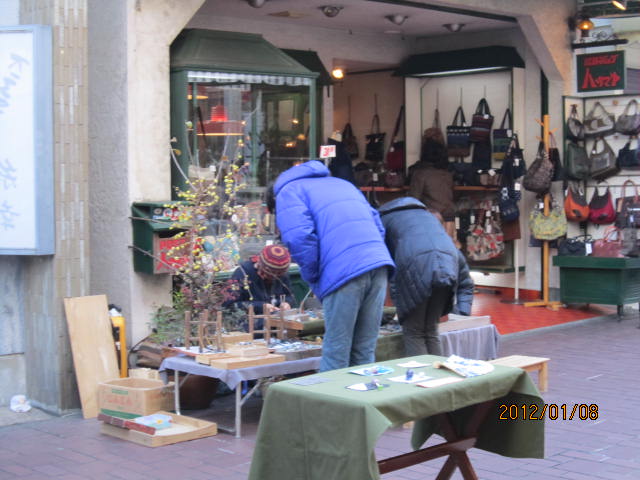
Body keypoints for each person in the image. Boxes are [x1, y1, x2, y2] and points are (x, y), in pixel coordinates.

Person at [270, 160, 395, 371]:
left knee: (336, 351)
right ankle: (362, 393)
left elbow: (299, 238)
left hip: (343, 270)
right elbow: (377, 225)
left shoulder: (288, 192)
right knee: (364, 349)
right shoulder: (343, 184)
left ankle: (332, 394)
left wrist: (314, 276)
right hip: (377, 262)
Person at [378, 196, 473, 356]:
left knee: (414, 331)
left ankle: (422, 371)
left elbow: (381, 263)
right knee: (430, 329)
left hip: (416, 265)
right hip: (446, 264)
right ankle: (438, 370)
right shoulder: (426, 216)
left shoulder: (384, 219)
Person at [224, 244, 296, 329]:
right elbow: (229, 306)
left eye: (278, 275)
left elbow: (289, 295)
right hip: (250, 324)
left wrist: (287, 303)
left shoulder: (282, 274)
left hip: (276, 320)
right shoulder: (242, 274)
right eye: (271, 275)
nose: (275, 278)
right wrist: (260, 306)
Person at [409, 137, 457, 242]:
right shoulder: (447, 174)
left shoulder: (420, 174)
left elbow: (413, 200)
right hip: (450, 217)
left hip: (432, 219)